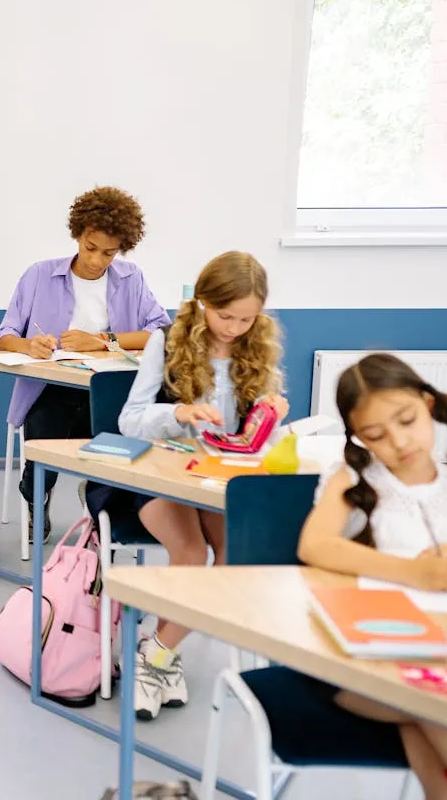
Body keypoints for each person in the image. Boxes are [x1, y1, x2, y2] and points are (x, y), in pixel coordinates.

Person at [93, 250, 288, 720]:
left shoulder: (254, 346)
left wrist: (271, 418)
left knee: (231, 556)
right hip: (159, 473)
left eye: (247, 318)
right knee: (191, 553)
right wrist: (179, 412)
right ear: (202, 301)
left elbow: (256, 437)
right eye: (226, 316)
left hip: (217, 478)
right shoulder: (167, 341)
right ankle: (160, 659)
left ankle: (156, 652)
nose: (235, 328)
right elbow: (129, 420)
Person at [298, 353, 447, 800]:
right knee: (440, 701)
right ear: (359, 439)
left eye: (407, 420)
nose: (399, 442)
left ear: (429, 405)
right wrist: (412, 573)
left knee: (434, 720)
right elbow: (316, 545)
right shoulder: (355, 478)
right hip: (375, 661)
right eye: (376, 436)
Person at [0, 186, 171, 539]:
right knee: (46, 427)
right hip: (52, 388)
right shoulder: (40, 275)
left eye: (109, 253)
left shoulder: (130, 277)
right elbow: (3, 334)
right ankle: (36, 494)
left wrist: (105, 341)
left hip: (107, 390)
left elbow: (162, 330)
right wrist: (28, 346)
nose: (96, 261)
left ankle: (99, 498)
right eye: (90, 248)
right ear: (77, 234)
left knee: (120, 435)